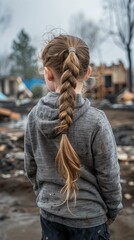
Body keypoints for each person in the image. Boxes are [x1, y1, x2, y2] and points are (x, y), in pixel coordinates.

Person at [24, 34, 122, 240]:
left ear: (48, 73)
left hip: (50, 217)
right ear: (87, 72)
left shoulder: (33, 117)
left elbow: (30, 168)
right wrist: (112, 210)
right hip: (91, 221)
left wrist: (45, 197)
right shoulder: (96, 121)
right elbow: (109, 176)